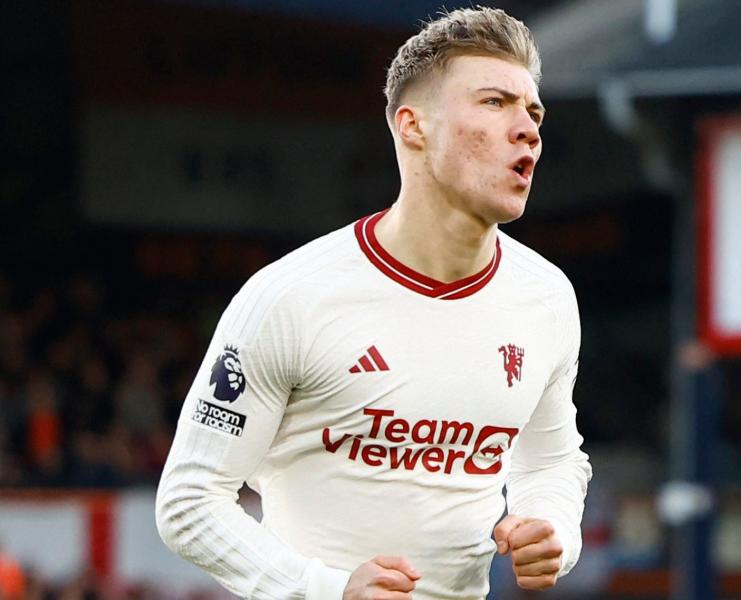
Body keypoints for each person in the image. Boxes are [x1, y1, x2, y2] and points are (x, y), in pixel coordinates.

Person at [156, 7, 591, 600]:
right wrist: (326, 589)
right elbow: (188, 500)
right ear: (413, 126)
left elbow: (551, 460)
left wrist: (555, 529)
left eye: (534, 111)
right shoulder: (291, 297)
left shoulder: (546, 298)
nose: (528, 129)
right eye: (495, 103)